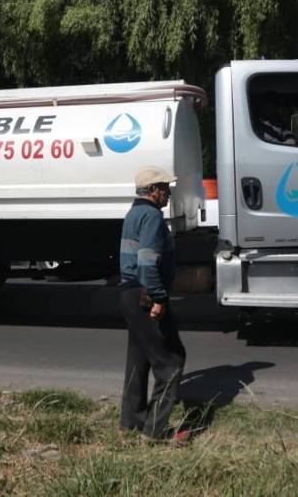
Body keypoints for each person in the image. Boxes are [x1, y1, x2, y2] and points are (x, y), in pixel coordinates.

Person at [119, 166, 189, 442]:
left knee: (138, 359)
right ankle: (156, 431)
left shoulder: (133, 213)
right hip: (145, 294)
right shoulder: (150, 216)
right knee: (171, 361)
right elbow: (147, 262)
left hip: (129, 293)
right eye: (164, 188)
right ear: (151, 191)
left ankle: (132, 422)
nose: (168, 194)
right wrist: (158, 297)